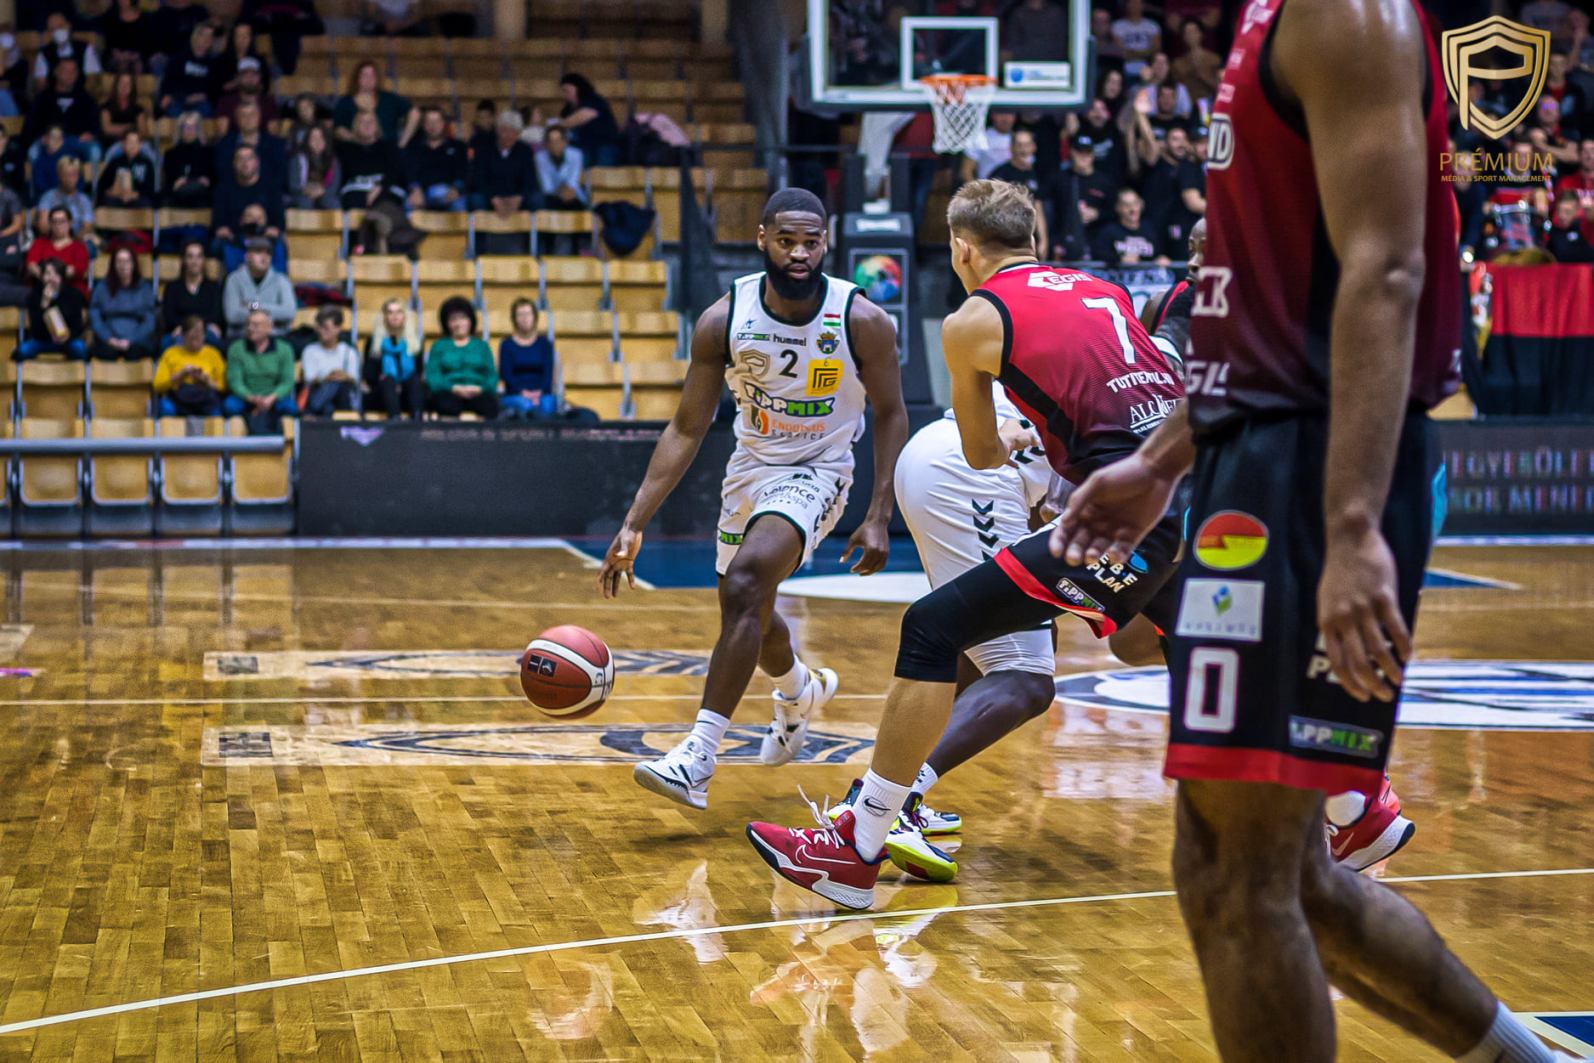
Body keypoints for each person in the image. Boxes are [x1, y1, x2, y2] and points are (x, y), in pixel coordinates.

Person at [1052, 3, 1571, 1061]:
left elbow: (1386, 270)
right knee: (1279, 876)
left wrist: (1350, 524)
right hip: (1259, 454)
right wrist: (1160, 462)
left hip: (1311, 462)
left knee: (1235, 879)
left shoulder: (1343, 14)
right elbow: (1267, 303)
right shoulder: (1271, 19)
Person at [742, 180, 1185, 909]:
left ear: (961, 248)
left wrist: (1018, 437)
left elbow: (981, 453)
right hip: (1184, 493)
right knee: (1190, 643)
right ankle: (1353, 807)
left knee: (936, 627)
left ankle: (859, 839)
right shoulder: (1103, 290)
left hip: (1121, 512)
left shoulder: (974, 317)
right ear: (1035, 238)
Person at [598, 188, 907, 811]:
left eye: (811, 242)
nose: (799, 253)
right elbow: (687, 426)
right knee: (751, 613)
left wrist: (879, 514)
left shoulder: (860, 319)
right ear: (762, 238)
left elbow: (892, 413)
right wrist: (634, 522)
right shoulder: (724, 319)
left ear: (826, 242)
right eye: (787, 241)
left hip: (820, 469)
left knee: (744, 583)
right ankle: (799, 691)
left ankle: (698, 758)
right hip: (749, 470)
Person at [225, 308, 297, 433]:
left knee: (290, 408)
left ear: (269, 327)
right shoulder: (236, 349)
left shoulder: (285, 349)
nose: (250, 328)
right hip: (246, 398)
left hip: (274, 397)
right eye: (248, 324)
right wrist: (252, 398)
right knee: (229, 406)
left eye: (256, 325)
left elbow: (287, 381)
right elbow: (235, 382)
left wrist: (271, 398)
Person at [425, 298, 499, 418]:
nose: (459, 324)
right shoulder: (439, 346)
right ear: (446, 323)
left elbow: (492, 375)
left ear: (471, 321)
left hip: (478, 391)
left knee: (490, 405)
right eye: (453, 319)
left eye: (463, 318)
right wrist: (453, 388)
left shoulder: (482, 347)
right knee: (445, 404)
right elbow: (433, 376)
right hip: (448, 393)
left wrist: (480, 389)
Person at [23, 58, 101, 165]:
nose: (70, 75)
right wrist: (41, 137)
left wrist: (91, 134)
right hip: (49, 139)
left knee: (95, 151)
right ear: (56, 72)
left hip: (77, 140)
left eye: (73, 71)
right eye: (65, 70)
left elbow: (95, 125)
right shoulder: (43, 98)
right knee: (33, 152)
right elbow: (30, 126)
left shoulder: (86, 99)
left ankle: (91, 177)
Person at [89, 247, 158, 361]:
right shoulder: (102, 287)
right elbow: (95, 317)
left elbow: (149, 321)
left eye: (127, 261)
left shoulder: (144, 288)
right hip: (108, 339)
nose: (123, 265)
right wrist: (108, 338)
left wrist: (131, 340)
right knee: (105, 353)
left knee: (135, 353)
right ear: (113, 265)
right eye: (119, 261)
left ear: (133, 264)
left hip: (137, 340)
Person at [362, 298, 426, 418]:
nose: (394, 316)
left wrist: (401, 385)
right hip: (382, 394)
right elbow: (369, 376)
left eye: (398, 312)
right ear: (384, 317)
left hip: (408, 393)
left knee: (414, 381)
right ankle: (395, 421)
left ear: (405, 316)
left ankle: (417, 420)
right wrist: (387, 382)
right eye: (390, 312)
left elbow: (419, 371)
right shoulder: (373, 342)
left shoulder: (416, 342)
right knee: (388, 380)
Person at [212, 145, 285, 248]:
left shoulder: (271, 187)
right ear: (234, 163)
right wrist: (223, 230)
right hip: (234, 238)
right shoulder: (223, 189)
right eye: (240, 159)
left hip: (263, 238)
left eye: (249, 158)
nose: (245, 163)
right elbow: (218, 221)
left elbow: (279, 221)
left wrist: (273, 229)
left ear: (257, 162)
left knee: (279, 243)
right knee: (218, 244)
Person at [332, 60, 418, 147]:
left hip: (388, 151)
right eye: (365, 75)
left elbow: (414, 113)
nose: (369, 79)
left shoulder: (389, 99)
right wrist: (355, 140)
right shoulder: (345, 102)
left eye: (373, 75)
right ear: (357, 78)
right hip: (354, 151)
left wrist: (403, 142)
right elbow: (338, 128)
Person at [222, 237, 295, 337]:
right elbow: (232, 315)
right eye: (258, 252)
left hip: (275, 336)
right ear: (247, 256)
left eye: (268, 253)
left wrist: (253, 305)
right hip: (242, 337)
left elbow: (289, 312)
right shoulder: (234, 279)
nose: (264, 257)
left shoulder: (282, 280)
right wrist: (271, 311)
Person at [154, 315, 227, 415]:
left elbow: (223, 386)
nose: (194, 343)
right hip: (178, 399)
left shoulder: (213, 354)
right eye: (191, 338)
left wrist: (207, 381)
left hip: (206, 399)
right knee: (166, 407)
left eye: (198, 337)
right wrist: (180, 375)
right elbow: (158, 385)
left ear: (204, 336)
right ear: (183, 336)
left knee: (216, 410)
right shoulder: (170, 353)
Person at [335, 109, 407, 210]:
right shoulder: (345, 149)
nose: (367, 125)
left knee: (386, 203)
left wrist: (379, 188)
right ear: (355, 126)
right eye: (362, 122)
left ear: (377, 126)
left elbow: (394, 172)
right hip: (356, 191)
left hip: (385, 188)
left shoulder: (389, 147)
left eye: (371, 121)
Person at [214, 98, 288, 196]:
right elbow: (222, 175)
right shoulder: (224, 144)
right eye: (243, 115)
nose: (248, 119)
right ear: (237, 119)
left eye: (252, 115)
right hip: (234, 195)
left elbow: (280, 176)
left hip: (268, 196)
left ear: (259, 117)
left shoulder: (275, 144)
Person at [20, 258, 88, 361]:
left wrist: (68, 336)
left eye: (56, 274)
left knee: (80, 348)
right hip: (42, 340)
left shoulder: (74, 295)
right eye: (48, 274)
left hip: (67, 340)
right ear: (42, 277)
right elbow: (35, 330)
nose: (51, 278)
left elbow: (77, 326)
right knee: (23, 350)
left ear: (62, 277)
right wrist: (45, 303)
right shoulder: (34, 296)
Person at [497, 299, 555, 418]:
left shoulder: (545, 344)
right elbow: (506, 375)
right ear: (514, 319)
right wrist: (523, 393)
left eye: (528, 314)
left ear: (535, 317)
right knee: (524, 405)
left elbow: (548, 374)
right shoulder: (507, 345)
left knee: (547, 405)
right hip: (515, 394)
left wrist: (539, 393)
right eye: (520, 315)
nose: (525, 318)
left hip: (542, 393)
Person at [299, 306, 361, 417]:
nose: (321, 331)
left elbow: (355, 379)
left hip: (343, 398)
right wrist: (329, 377)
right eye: (319, 327)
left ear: (338, 329)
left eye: (326, 328)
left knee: (339, 385)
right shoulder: (310, 351)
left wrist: (342, 376)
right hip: (319, 391)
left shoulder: (349, 352)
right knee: (328, 405)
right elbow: (309, 379)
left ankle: (312, 409)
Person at [470, 109, 535, 214]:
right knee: (476, 199)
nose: (509, 136)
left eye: (514, 132)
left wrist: (519, 197)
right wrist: (493, 198)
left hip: (516, 197)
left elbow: (530, 180)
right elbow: (479, 179)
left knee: (536, 199)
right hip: (491, 196)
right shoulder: (484, 149)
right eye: (505, 131)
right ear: (498, 130)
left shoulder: (525, 150)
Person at [405, 107, 467, 211]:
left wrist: (456, 188)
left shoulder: (458, 146)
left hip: (449, 192)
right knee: (409, 203)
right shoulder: (414, 147)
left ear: (443, 123)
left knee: (458, 202)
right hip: (422, 193)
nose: (433, 126)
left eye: (437, 121)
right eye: (429, 122)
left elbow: (464, 170)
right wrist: (414, 189)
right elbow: (409, 171)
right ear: (423, 125)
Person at [162, 239, 224, 338]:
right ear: (184, 260)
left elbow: (216, 316)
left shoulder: (214, 287)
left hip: (205, 333)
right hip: (180, 333)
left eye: (199, 256)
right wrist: (187, 327)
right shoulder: (172, 287)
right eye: (190, 256)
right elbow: (170, 318)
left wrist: (196, 327)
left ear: (204, 260)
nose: (195, 261)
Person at [556, 74, 620, 168]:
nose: (565, 94)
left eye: (567, 90)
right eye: (563, 91)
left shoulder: (594, 100)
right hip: (581, 147)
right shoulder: (566, 110)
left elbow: (585, 114)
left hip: (604, 144)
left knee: (603, 168)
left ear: (577, 88)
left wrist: (559, 124)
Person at [25, 208, 90, 297]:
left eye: (62, 221)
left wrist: (52, 278)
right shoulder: (40, 243)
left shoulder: (79, 247)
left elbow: (78, 270)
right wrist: (45, 277)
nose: (58, 225)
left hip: (70, 288)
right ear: (50, 224)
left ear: (70, 223)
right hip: (41, 286)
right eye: (54, 221)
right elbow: (31, 265)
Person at [159, 21, 218, 117]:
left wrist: (199, 97)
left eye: (209, 36)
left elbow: (212, 90)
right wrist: (185, 98)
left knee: (206, 108)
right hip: (179, 100)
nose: (206, 39)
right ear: (195, 36)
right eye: (202, 35)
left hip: (200, 102)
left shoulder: (213, 63)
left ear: (212, 41)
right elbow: (169, 84)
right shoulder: (179, 58)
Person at [1091, 188, 1162, 265]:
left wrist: (1161, 258)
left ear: (1141, 205)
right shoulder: (1108, 231)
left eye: (1135, 204)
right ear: (1118, 207)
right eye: (1126, 205)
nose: (1132, 209)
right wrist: (1119, 259)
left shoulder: (1150, 230)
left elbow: (1157, 254)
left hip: (1147, 272)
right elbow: (1098, 254)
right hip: (1117, 272)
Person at [162, 112, 216, 209]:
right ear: (180, 130)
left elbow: (213, 177)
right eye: (186, 127)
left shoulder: (208, 152)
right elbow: (169, 180)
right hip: (178, 193)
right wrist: (176, 183)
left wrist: (207, 181)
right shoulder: (171, 154)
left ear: (198, 130)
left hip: (202, 192)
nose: (190, 131)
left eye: (193, 127)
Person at [35, 156, 95, 238]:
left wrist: (71, 242)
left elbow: (88, 227)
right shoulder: (48, 197)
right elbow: (43, 226)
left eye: (74, 175)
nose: (70, 179)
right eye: (66, 175)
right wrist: (60, 238)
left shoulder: (84, 200)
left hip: (77, 240)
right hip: (52, 240)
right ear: (59, 176)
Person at [96, 130, 158, 208]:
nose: (133, 146)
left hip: (137, 198)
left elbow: (150, 188)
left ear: (140, 145)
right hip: (117, 198)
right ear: (123, 144)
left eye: (136, 142)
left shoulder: (147, 163)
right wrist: (115, 193)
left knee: (145, 202)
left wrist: (133, 195)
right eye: (130, 142)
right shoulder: (115, 162)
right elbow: (103, 185)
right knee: (106, 201)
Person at [288, 124, 340, 209]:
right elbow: (293, 185)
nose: (317, 141)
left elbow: (334, 185)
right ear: (307, 141)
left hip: (324, 193)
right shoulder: (298, 158)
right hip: (303, 194)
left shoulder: (333, 160)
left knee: (332, 203)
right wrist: (308, 190)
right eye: (313, 138)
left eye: (321, 138)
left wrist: (322, 191)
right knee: (305, 202)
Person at [535, 125, 586, 210]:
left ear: (565, 142)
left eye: (557, 141)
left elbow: (573, 180)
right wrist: (559, 192)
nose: (554, 145)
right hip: (551, 197)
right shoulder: (539, 157)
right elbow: (546, 185)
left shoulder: (576, 154)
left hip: (573, 196)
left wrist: (567, 190)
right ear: (546, 144)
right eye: (550, 141)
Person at [1111, 0, 1161, 79]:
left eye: (1137, 3)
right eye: (1132, 3)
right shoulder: (1117, 26)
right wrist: (1144, 53)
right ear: (1126, 5)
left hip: (1148, 67)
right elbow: (1119, 52)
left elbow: (1156, 50)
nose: (1135, 6)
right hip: (1124, 67)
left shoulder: (1152, 26)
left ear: (1143, 5)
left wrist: (1133, 53)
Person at [100, 70, 150, 146]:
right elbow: (106, 129)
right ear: (116, 85)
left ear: (132, 87)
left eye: (128, 84)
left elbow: (144, 132)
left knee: (147, 149)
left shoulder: (138, 109)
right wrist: (129, 128)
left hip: (135, 143)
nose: (124, 86)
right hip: (113, 143)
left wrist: (131, 140)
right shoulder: (106, 106)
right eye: (122, 83)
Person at [101, 0, 153, 74]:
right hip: (116, 55)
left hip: (138, 56)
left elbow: (148, 44)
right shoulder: (110, 17)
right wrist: (118, 54)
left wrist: (135, 56)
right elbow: (109, 43)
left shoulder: (145, 19)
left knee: (138, 65)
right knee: (121, 64)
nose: (122, 1)